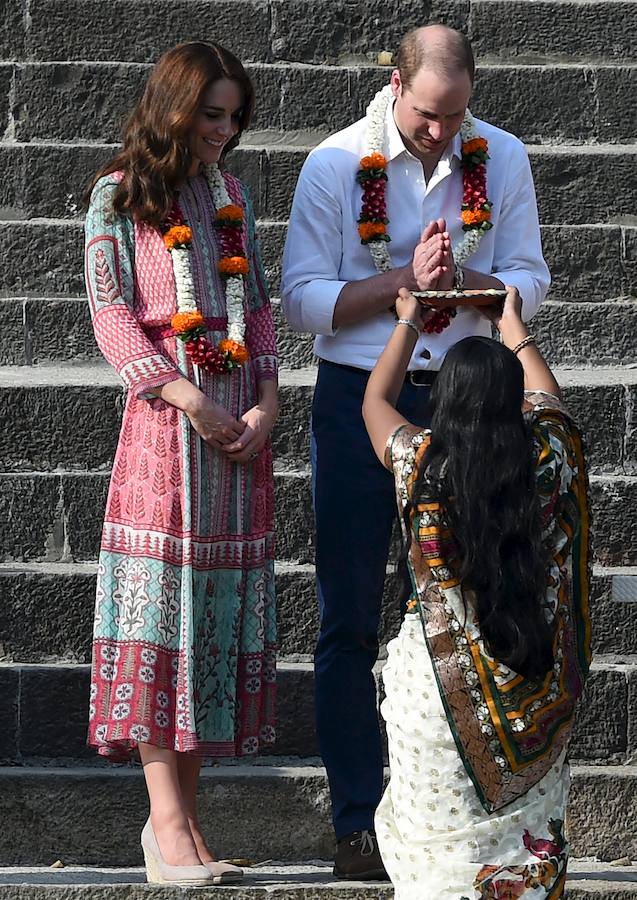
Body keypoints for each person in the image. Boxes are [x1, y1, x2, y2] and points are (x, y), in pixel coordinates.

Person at [281, 23, 550, 878]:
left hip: (471, 393)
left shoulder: (498, 154)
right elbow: (302, 301)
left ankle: (460, 814)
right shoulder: (333, 164)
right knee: (350, 612)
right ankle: (358, 821)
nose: (442, 133)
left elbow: (530, 276)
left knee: (466, 607)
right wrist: (403, 285)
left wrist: (472, 288)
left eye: (456, 117)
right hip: (364, 396)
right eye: (429, 117)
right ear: (392, 84)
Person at [83, 41, 278, 886]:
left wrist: (266, 401)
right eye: (211, 113)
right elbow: (111, 314)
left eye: (233, 117)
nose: (223, 131)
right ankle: (164, 825)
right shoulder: (119, 194)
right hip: (169, 429)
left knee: (213, 616)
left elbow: (259, 309)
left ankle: (189, 827)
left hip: (237, 438)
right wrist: (184, 396)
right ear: (174, 106)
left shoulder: (229, 194)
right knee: (165, 616)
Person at [362, 285, 591, 899]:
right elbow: (551, 401)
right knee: (523, 865)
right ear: (514, 402)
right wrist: (512, 327)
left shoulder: (421, 464)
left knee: (443, 869)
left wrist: (409, 320)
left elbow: (376, 400)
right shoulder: (551, 457)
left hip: (437, 698)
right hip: (532, 687)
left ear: (444, 401)